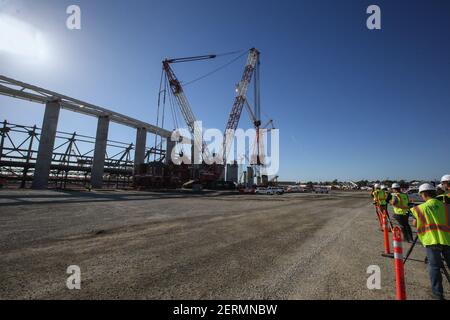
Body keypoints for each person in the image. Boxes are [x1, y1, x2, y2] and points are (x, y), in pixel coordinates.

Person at [410, 183, 450, 300]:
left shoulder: (419, 208)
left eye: (421, 194)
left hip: (431, 241)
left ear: (425, 194)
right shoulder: (446, 206)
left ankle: (438, 294)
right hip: (447, 240)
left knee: (434, 267)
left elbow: (414, 224)